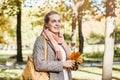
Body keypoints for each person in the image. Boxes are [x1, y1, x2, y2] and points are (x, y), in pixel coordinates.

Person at [32, 11, 76, 80]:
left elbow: (67, 63)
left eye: (59, 21)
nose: (57, 24)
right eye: (53, 21)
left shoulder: (62, 40)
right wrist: (62, 64)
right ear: (46, 24)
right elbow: (39, 64)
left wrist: (73, 64)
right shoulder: (40, 40)